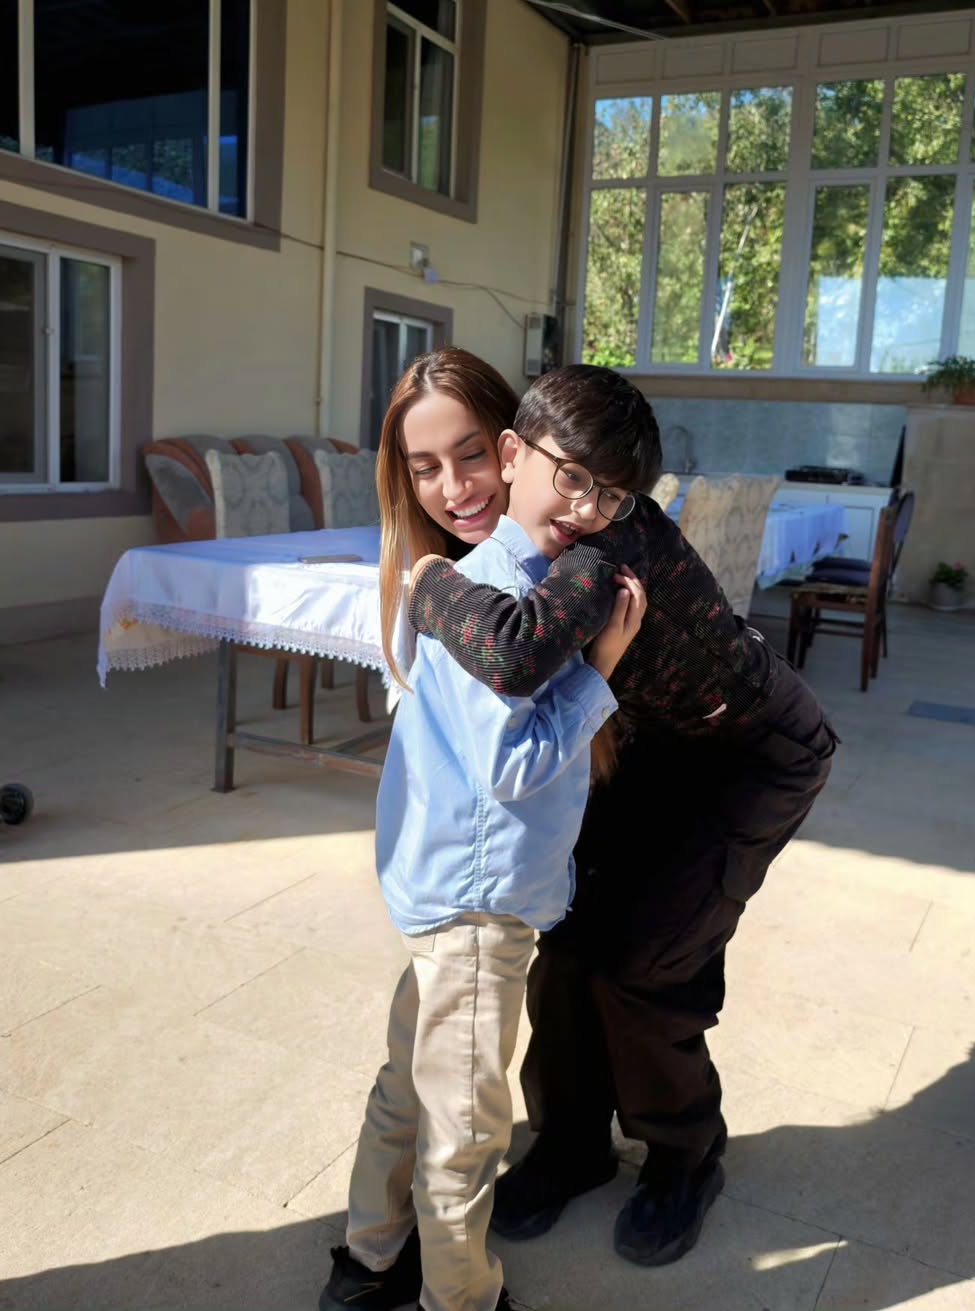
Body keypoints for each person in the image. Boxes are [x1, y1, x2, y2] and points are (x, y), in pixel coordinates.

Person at [408, 373, 839, 1269]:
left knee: (649, 963)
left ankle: (685, 1152)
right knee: (569, 941)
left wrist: (427, 581)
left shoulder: (602, 553)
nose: (586, 507)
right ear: (517, 452)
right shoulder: (541, 531)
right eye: (573, 477)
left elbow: (514, 653)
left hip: (755, 755)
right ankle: (571, 1141)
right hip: (660, 740)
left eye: (611, 492)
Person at [319, 351, 660, 1311]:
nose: (455, 485)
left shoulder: (503, 580)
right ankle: (460, 1295)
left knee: (410, 1082)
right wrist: (601, 669)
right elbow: (512, 766)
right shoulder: (493, 603)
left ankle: (371, 1256)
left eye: (467, 454)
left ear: (506, 448)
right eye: (426, 466)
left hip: (446, 894)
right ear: (530, 454)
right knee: (465, 1126)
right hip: (475, 906)